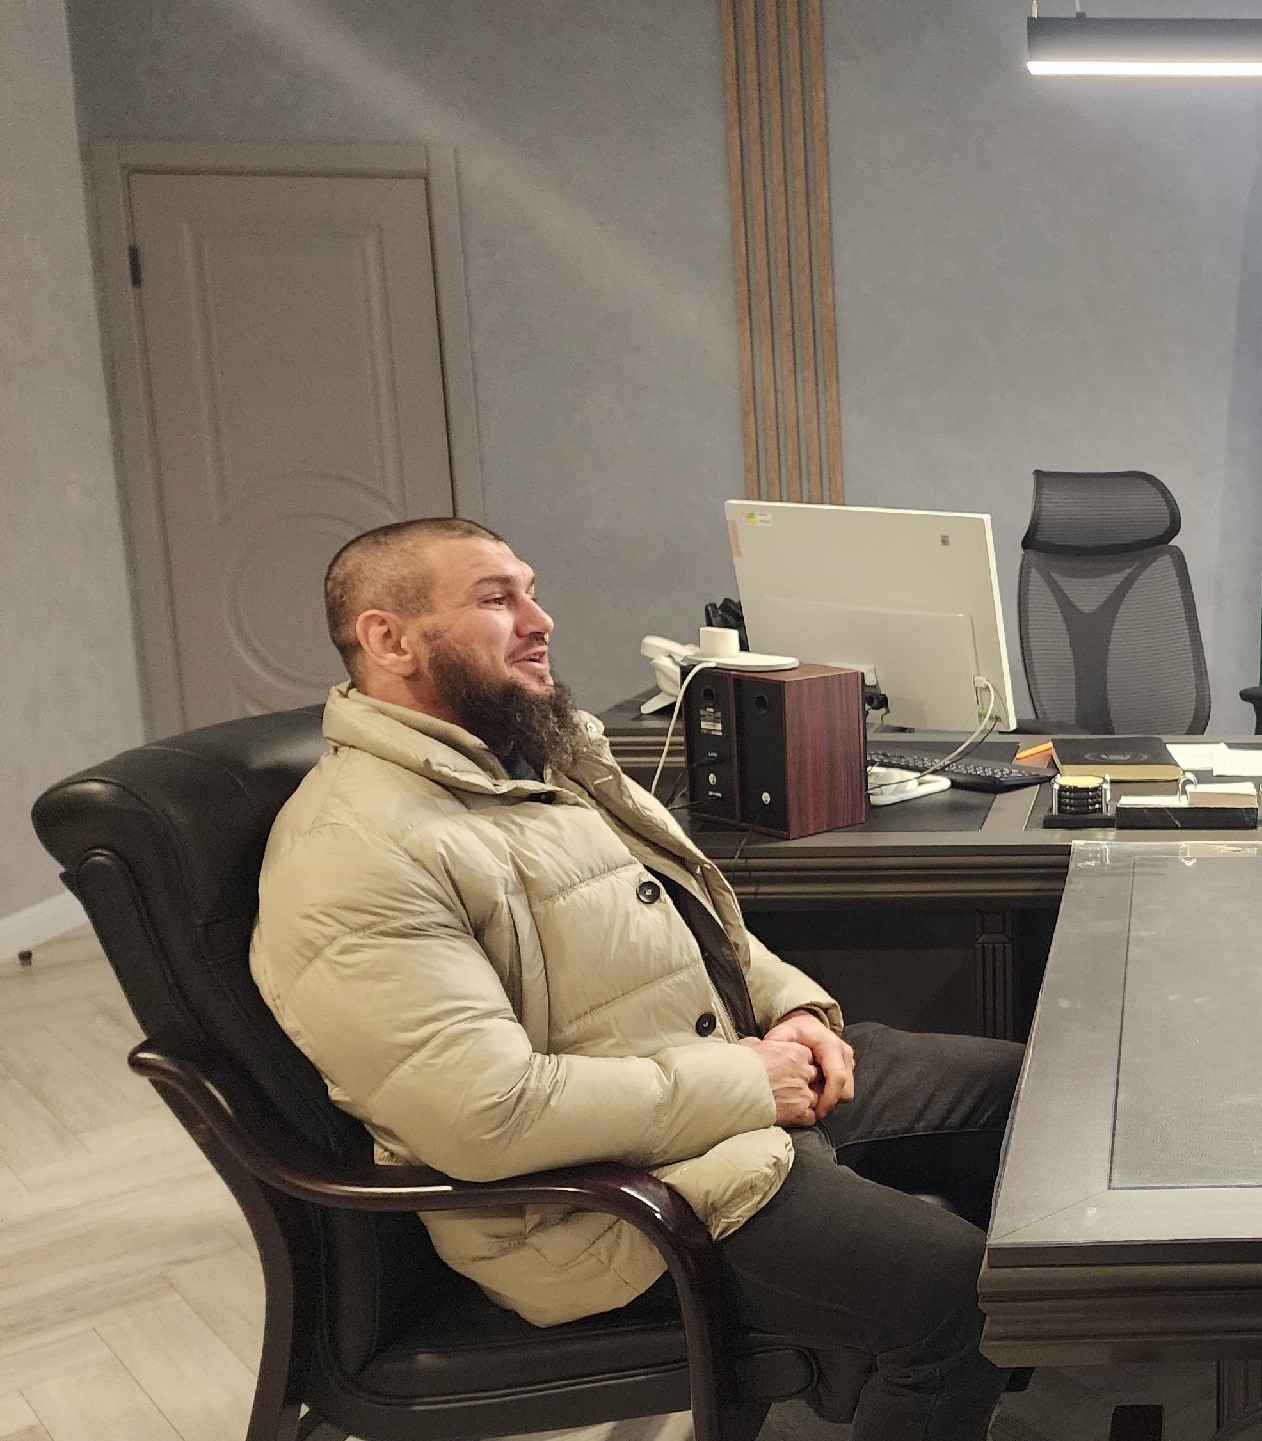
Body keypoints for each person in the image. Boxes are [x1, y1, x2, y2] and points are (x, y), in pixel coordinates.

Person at [250, 517, 1020, 1440]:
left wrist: (798, 1010)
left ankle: (979, 1373)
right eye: (497, 598)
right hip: (605, 1207)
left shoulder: (537, 764)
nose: (540, 620)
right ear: (388, 638)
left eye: (533, 592)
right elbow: (485, 1113)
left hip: (710, 1098)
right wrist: (749, 1082)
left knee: (1024, 1096)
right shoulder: (354, 849)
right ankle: (946, 1362)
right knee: (957, 1296)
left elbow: (702, 924)